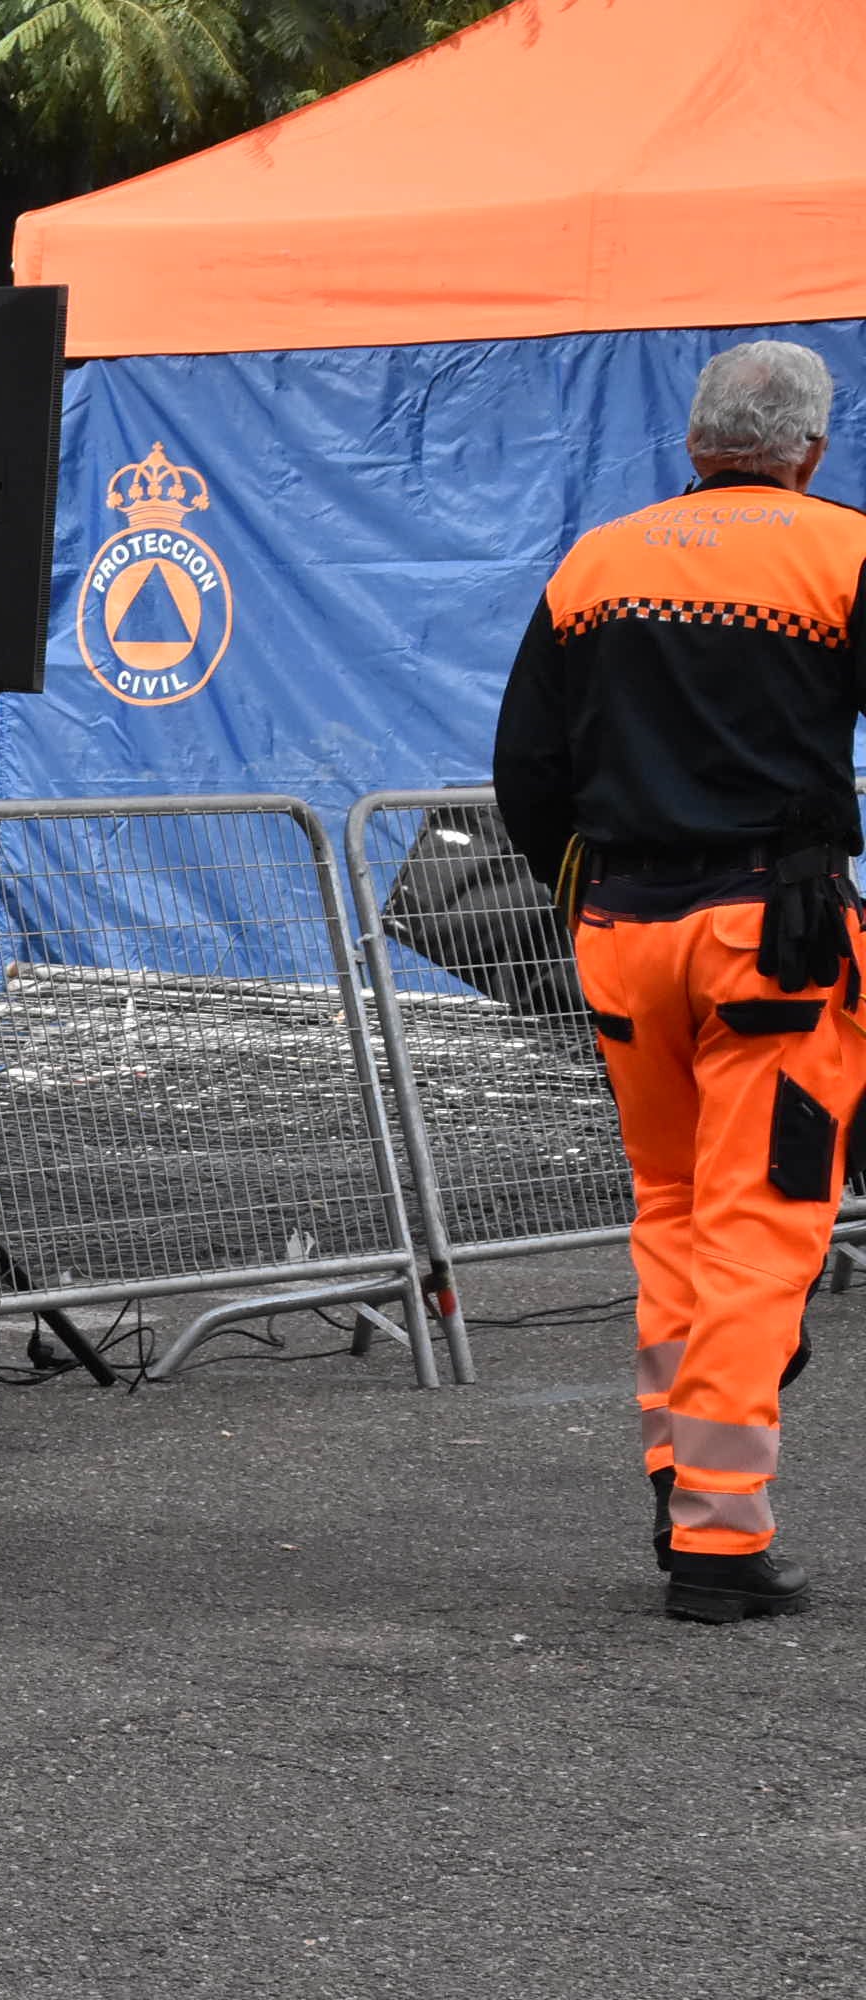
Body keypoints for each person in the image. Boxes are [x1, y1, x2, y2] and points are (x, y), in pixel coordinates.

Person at [493, 338, 866, 1625]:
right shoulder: (842, 554)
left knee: (669, 1204)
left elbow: (525, 772)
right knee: (762, 1219)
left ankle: (678, 1465)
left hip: (622, 934)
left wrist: (590, 885)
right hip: (774, 932)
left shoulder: (597, 561)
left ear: (692, 440)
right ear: (808, 450)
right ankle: (718, 1533)